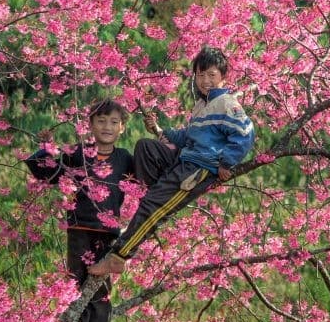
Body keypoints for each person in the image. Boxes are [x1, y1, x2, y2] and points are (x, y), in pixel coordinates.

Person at [88, 46, 255, 276]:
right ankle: (157, 196)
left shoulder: (227, 103)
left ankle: (119, 257)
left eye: (212, 75)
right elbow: (186, 137)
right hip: (184, 157)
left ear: (223, 76)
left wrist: (227, 163)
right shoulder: (202, 105)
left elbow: (245, 134)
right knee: (145, 147)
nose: (206, 80)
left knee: (151, 206)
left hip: (198, 167)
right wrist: (157, 130)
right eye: (201, 75)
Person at [25, 99, 134, 322]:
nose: (107, 126)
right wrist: (44, 147)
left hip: (109, 231)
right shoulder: (78, 153)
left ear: (122, 127)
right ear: (90, 124)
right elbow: (46, 170)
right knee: (76, 280)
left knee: (101, 286)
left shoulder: (125, 158)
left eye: (114, 122)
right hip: (79, 227)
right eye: (101, 121)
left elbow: (143, 183)